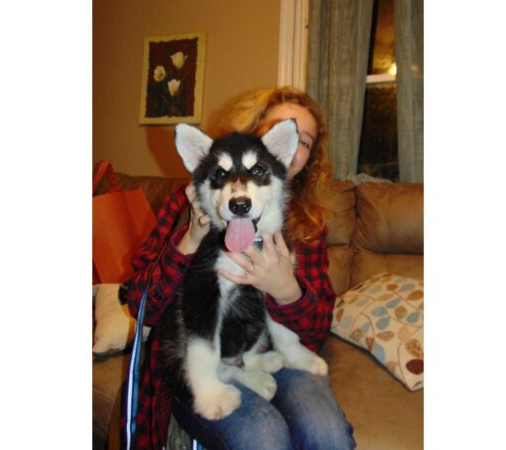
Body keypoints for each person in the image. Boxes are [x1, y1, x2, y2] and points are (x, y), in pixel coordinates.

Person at [121, 86, 356, 450]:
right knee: (263, 437)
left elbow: (316, 327)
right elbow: (141, 303)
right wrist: (190, 238)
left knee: (326, 435)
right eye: (274, 127)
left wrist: (285, 289)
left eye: (302, 140)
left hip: (266, 353)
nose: (289, 142)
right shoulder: (191, 203)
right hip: (199, 356)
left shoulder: (306, 223)